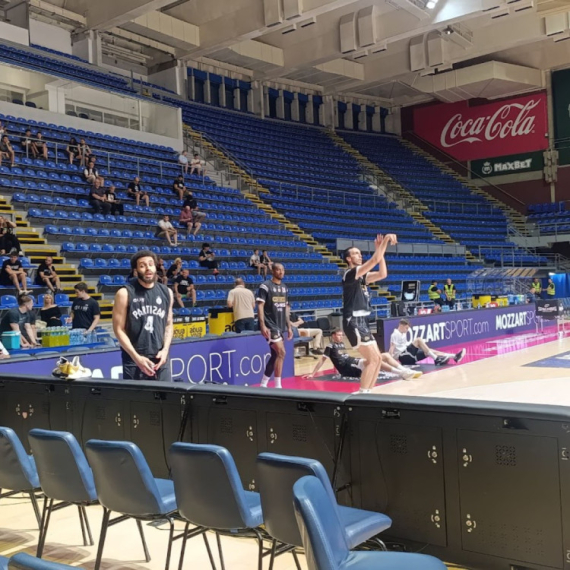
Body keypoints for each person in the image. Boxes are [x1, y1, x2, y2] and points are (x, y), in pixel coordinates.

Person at [342, 234, 396, 394]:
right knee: (373, 360)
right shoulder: (350, 273)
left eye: (360, 253)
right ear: (348, 259)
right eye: (355, 253)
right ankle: (362, 393)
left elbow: (382, 274)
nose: (360, 255)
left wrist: (380, 251)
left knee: (378, 359)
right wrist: (385, 241)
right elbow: (374, 260)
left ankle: (368, 392)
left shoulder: (361, 278)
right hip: (353, 321)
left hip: (362, 322)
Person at [113, 250, 174, 381]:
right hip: (135, 360)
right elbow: (118, 329)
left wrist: (165, 350)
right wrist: (136, 358)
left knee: (165, 394)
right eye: (142, 265)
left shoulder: (167, 292)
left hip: (160, 359)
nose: (148, 268)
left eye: (151, 264)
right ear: (135, 271)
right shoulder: (124, 293)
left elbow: (168, 325)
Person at [305, 328, 420, 381]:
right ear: (333, 336)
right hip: (349, 367)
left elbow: (338, 358)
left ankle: (403, 370)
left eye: (342, 335)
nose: (341, 337)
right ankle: (402, 373)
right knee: (378, 359)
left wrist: (336, 369)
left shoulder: (341, 345)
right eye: (339, 335)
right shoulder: (330, 346)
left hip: (352, 362)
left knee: (383, 356)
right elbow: (322, 360)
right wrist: (312, 373)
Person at [257, 263, 292, 388]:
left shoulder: (284, 288)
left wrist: (289, 326)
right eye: (278, 270)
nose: (281, 272)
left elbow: (286, 308)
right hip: (270, 325)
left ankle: (263, 384)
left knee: (275, 355)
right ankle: (278, 386)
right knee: (282, 352)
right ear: (273, 271)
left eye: (283, 270)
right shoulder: (265, 286)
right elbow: (260, 306)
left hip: (280, 325)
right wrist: (262, 325)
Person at [389, 318, 465, 367]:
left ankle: (454, 356)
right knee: (418, 340)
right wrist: (390, 362)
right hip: (402, 357)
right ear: (401, 326)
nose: (407, 330)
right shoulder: (395, 334)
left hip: (408, 356)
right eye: (406, 328)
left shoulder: (403, 334)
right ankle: (436, 359)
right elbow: (392, 348)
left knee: (428, 350)